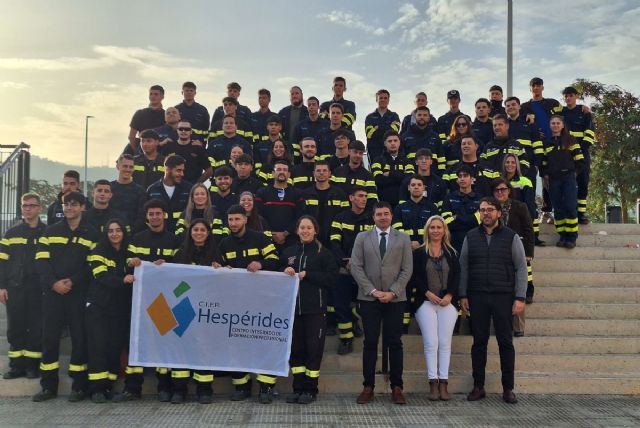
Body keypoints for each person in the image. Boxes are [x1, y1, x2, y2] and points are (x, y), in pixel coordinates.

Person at [458, 197, 527, 404]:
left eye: (490, 209)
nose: (486, 213)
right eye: (482, 210)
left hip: (503, 296)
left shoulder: (511, 237)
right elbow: (463, 267)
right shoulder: (470, 237)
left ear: (498, 212)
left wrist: (520, 296)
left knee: (505, 342)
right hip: (477, 295)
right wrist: (463, 294)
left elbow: (521, 268)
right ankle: (478, 386)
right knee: (479, 343)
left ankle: (508, 388)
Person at [33, 192, 100, 402]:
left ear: (82, 207)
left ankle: (79, 386)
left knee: (79, 339)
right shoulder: (49, 231)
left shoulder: (92, 233)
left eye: (73, 204)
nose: (69, 208)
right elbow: (41, 262)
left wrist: (72, 282)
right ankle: (48, 386)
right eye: (66, 204)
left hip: (77, 294)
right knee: (49, 338)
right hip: (52, 294)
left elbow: (92, 265)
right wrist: (53, 283)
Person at [114, 199, 180, 403]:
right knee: (136, 342)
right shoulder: (137, 239)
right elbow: (126, 262)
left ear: (164, 215)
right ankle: (132, 388)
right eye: (151, 214)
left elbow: (180, 267)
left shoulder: (173, 240)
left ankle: (164, 387)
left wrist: (167, 265)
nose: (154, 217)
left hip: (164, 301)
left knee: (163, 342)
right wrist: (131, 262)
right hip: (140, 301)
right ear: (146, 217)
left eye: (158, 213)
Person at [351, 202, 413, 405]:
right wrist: (373, 291)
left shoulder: (403, 238)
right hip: (369, 298)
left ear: (392, 216)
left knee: (395, 342)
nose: (383, 217)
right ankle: (368, 386)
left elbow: (407, 269)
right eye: (379, 214)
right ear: (373, 217)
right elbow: (357, 267)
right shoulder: (362, 237)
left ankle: (397, 387)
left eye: (387, 213)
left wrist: (393, 292)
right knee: (370, 342)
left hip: (395, 299)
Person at [218, 205, 279, 403]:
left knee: (264, 343)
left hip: (261, 301)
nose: (233, 223)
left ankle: (266, 387)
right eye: (230, 220)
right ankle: (241, 387)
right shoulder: (224, 244)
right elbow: (218, 267)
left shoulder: (260, 238)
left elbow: (275, 259)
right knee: (236, 344)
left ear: (245, 219)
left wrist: (261, 264)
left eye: (237, 219)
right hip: (236, 303)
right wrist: (221, 269)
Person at [282, 216, 338, 404]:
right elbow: (276, 274)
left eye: (309, 227)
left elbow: (332, 279)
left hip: (315, 310)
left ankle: (310, 389)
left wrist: (309, 275)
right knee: (296, 350)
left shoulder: (324, 254)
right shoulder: (289, 253)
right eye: (302, 227)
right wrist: (285, 271)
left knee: (313, 350)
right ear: (297, 231)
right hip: (293, 310)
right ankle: (298, 388)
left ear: (315, 230)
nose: (305, 231)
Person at [171, 219, 223, 404]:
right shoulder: (180, 254)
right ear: (190, 232)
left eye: (202, 230)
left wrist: (222, 270)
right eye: (195, 229)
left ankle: (204, 390)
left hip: (206, 308)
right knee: (181, 348)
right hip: (184, 307)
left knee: (204, 348)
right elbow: (173, 283)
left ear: (208, 233)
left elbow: (222, 283)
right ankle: (179, 390)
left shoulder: (217, 254)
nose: (199, 232)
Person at [85, 219, 133, 403]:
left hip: (119, 308)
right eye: (110, 231)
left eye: (118, 230)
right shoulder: (98, 251)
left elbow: (136, 267)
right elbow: (101, 276)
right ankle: (96, 389)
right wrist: (123, 280)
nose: (114, 234)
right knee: (98, 347)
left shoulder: (128, 252)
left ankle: (108, 386)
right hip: (99, 307)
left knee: (114, 347)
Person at [0, 193, 46, 380]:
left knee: (36, 327)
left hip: (38, 288)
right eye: (25, 205)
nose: (28, 209)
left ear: (39, 208)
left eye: (32, 205)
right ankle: (16, 366)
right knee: (15, 327)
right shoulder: (11, 233)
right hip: (15, 287)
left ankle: (32, 366)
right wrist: (2, 286)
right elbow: (2, 262)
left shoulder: (47, 232)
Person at [413, 215, 460, 401]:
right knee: (431, 342)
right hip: (426, 302)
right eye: (432, 227)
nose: (435, 230)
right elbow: (414, 276)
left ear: (444, 230)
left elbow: (457, 276)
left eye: (439, 227)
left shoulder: (452, 253)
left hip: (447, 303)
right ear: (427, 230)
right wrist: (427, 293)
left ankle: (444, 383)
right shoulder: (418, 253)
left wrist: (450, 295)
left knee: (445, 343)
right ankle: (432, 382)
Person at [392, 175, 440, 332]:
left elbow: (435, 230)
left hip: (426, 252)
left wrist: (421, 243)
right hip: (405, 253)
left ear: (424, 188)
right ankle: (404, 324)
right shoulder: (400, 208)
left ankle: (422, 320)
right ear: (408, 188)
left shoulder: (432, 208)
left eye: (419, 185)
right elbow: (397, 231)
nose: (416, 187)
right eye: (413, 185)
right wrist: (409, 243)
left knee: (424, 285)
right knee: (405, 287)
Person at [329, 186, 373, 353]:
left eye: (365, 196)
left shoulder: (371, 220)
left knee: (363, 304)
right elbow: (334, 243)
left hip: (365, 269)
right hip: (343, 268)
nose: (364, 199)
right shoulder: (339, 218)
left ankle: (355, 318)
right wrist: (345, 261)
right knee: (341, 304)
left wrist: (358, 263)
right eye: (360, 196)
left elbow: (372, 245)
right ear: (351, 198)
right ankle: (346, 338)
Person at [491, 179, 534, 335]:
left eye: (503, 189)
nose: (500, 192)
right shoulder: (489, 209)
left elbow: (529, 230)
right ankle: (501, 326)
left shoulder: (520, 206)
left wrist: (529, 252)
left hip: (518, 251)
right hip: (497, 253)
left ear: (509, 190)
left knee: (518, 290)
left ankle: (518, 327)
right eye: (497, 190)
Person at [539, 115, 584, 249]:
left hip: (568, 177)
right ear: (550, 125)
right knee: (558, 208)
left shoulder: (571, 140)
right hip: (553, 179)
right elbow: (543, 163)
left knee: (570, 206)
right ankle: (562, 236)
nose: (555, 125)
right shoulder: (546, 143)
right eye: (553, 123)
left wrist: (573, 174)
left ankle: (571, 237)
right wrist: (545, 175)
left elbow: (580, 160)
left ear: (563, 125)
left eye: (558, 123)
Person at [560, 86, 595, 224]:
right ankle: (567, 212)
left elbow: (590, 134)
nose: (568, 98)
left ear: (576, 96)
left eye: (571, 95)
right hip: (564, 155)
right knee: (566, 184)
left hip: (582, 154)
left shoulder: (585, 113)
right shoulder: (560, 112)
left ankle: (581, 214)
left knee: (583, 182)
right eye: (566, 96)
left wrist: (579, 150)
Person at [255, 160, 305, 249]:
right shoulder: (262, 192)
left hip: (292, 240)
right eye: (278, 169)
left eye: (285, 170)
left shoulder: (297, 193)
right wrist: (272, 234)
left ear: (289, 174)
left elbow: (300, 216)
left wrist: (285, 233)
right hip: (267, 240)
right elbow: (259, 216)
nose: (282, 172)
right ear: (273, 173)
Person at [302, 160, 348, 245]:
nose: (321, 173)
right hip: (311, 239)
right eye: (318, 171)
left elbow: (345, 216)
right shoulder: (306, 194)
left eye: (324, 170)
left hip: (335, 238)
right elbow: (302, 216)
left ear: (330, 173)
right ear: (314, 173)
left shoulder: (340, 194)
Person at [501, 153, 542, 248]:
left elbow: (530, 205)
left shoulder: (525, 181)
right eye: (507, 162)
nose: (510, 164)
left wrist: (527, 222)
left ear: (517, 165)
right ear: (504, 164)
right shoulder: (499, 181)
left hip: (519, 222)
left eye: (513, 162)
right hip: (503, 222)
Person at [146, 154, 192, 233]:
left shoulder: (189, 189)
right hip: (160, 236)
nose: (182, 174)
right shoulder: (152, 190)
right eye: (178, 170)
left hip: (182, 235)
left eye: (182, 170)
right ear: (167, 169)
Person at [441, 165, 482, 252]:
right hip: (454, 242)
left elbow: (480, 220)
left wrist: (457, 217)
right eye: (460, 176)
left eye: (465, 175)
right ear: (457, 180)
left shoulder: (480, 199)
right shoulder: (449, 198)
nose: (462, 178)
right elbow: (446, 222)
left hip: (475, 240)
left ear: (472, 179)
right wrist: (472, 218)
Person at [371, 130, 414, 209]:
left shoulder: (407, 161)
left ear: (399, 142)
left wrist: (390, 174)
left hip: (404, 203)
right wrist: (400, 178)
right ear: (385, 143)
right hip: (384, 204)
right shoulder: (378, 160)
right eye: (389, 141)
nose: (393, 143)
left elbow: (410, 179)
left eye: (395, 140)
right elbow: (378, 180)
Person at [332, 140, 378, 207]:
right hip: (338, 212)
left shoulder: (368, 176)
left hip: (359, 215)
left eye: (360, 153)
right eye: (355, 152)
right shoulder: (337, 172)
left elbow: (372, 199)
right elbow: (331, 192)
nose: (358, 155)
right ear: (349, 152)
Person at [401, 106, 444, 173]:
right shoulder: (405, 137)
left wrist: (441, 174)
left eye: (425, 115)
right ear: (415, 117)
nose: (422, 117)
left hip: (432, 176)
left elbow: (441, 158)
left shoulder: (436, 137)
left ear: (429, 118)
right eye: (419, 115)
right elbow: (401, 158)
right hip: (412, 177)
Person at [110, 154, 146, 232]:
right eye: (125, 166)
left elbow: (141, 217)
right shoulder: (109, 188)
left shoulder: (140, 191)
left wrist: (129, 231)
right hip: (111, 233)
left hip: (132, 234)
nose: (128, 169)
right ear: (118, 167)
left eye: (131, 167)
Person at [127, 84, 165, 154]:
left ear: (162, 97)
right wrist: (137, 151)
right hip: (141, 149)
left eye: (156, 94)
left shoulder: (166, 115)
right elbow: (131, 136)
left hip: (160, 151)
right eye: (151, 94)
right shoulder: (140, 113)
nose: (153, 96)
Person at [364, 89, 401, 161]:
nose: (383, 100)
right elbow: (369, 134)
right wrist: (388, 126)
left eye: (385, 98)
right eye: (380, 98)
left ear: (388, 100)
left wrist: (377, 127)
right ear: (376, 100)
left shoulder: (394, 116)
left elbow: (394, 132)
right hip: (374, 151)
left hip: (390, 151)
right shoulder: (369, 117)